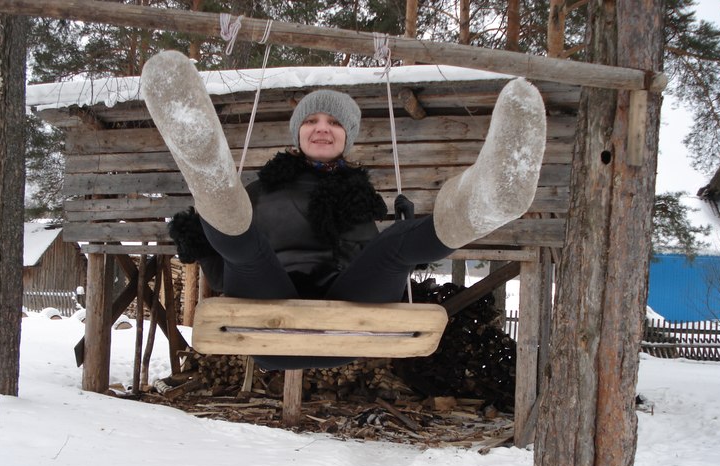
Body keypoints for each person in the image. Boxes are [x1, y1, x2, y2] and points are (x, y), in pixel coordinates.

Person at [141, 50, 547, 370]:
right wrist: (213, 252)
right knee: (242, 240)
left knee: (393, 247)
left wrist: (404, 229)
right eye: (312, 120)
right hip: (267, 321)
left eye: (334, 122)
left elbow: (373, 267)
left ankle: (486, 201)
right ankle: (205, 165)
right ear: (297, 132)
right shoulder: (257, 191)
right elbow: (227, 263)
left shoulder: (360, 200)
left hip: (350, 325)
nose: (322, 127)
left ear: (347, 136)